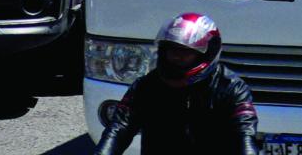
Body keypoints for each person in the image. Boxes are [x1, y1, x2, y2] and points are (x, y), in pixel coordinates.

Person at [95, 14, 258, 155]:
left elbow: (244, 133)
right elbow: (118, 129)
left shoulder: (232, 88)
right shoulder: (146, 86)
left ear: (206, 54)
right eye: (172, 50)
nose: (176, 57)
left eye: (185, 51)